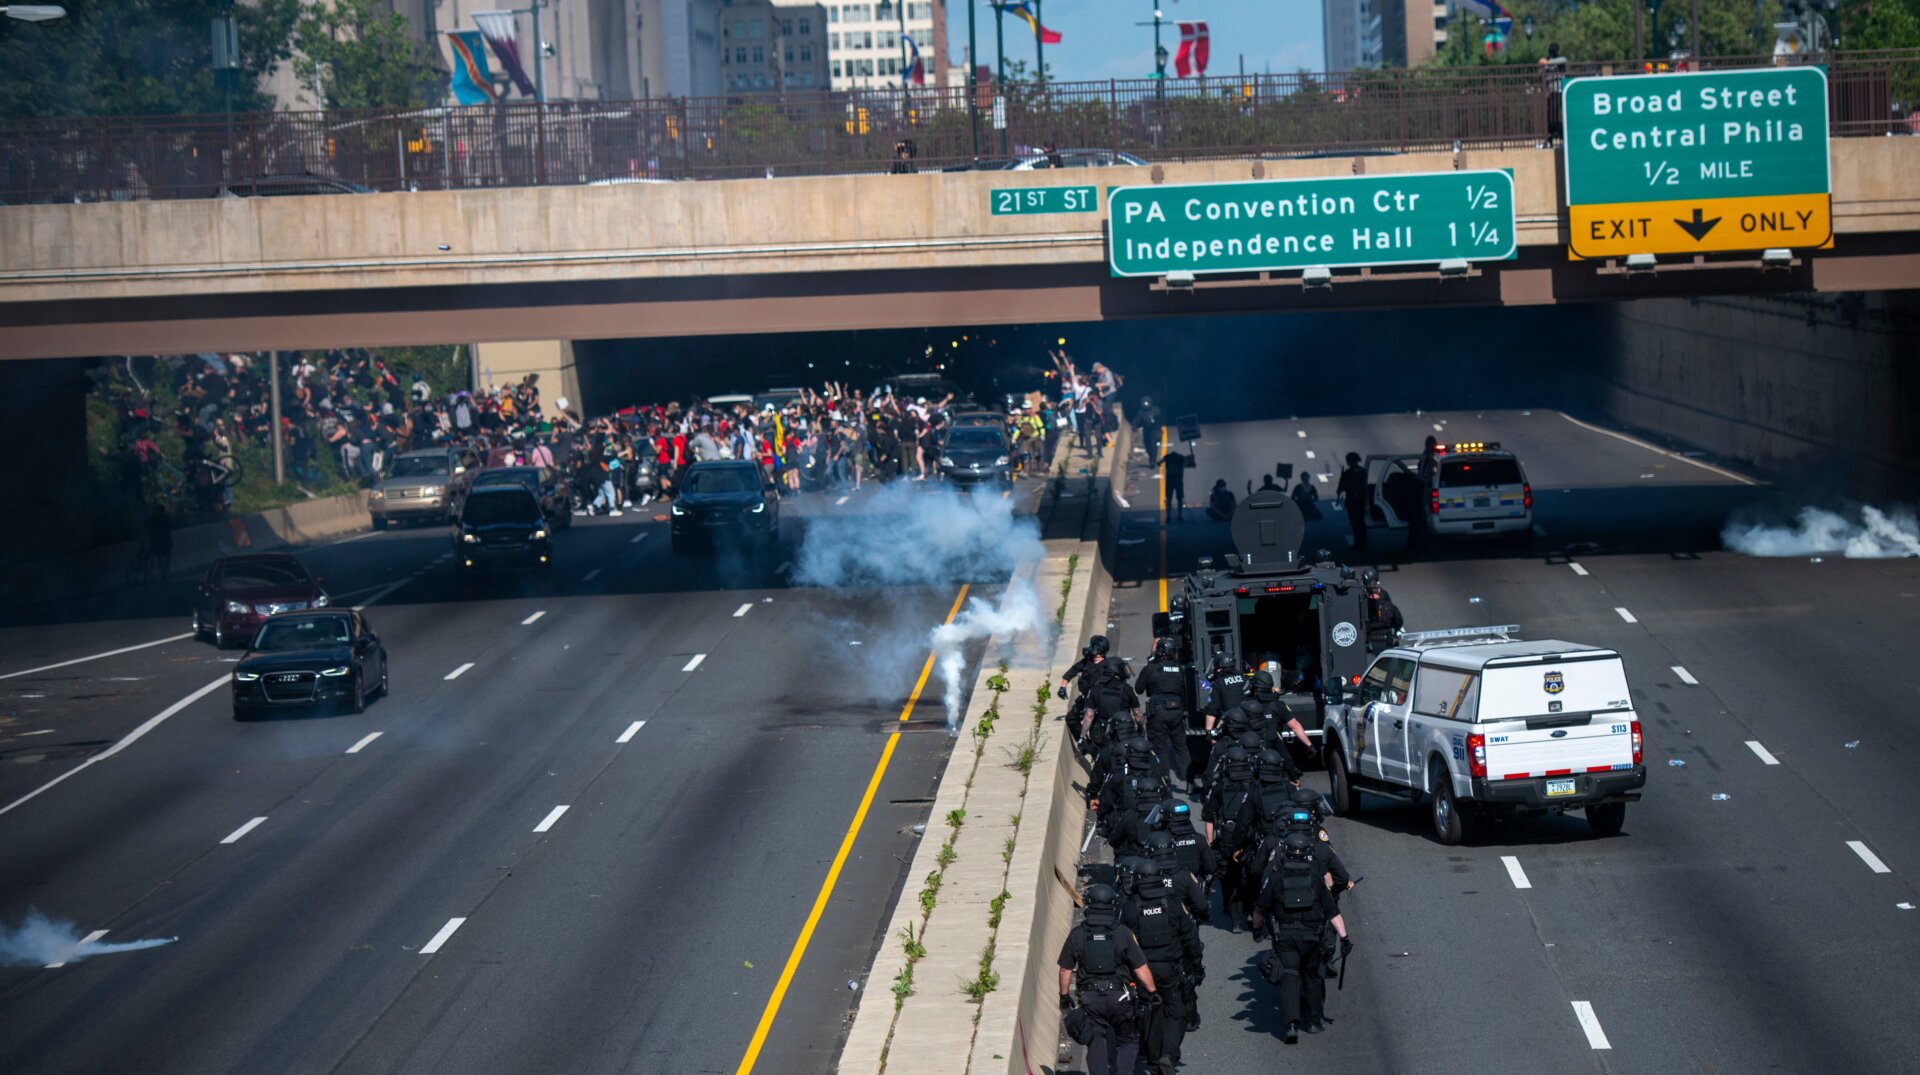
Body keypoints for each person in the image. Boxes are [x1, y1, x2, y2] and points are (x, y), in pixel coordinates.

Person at [1252, 827, 1352, 1043]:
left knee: (1290, 975)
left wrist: (1257, 929)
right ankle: (1314, 1021)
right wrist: (1344, 938)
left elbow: (1260, 909)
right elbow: (1332, 911)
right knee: (1313, 977)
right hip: (1312, 939)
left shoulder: (1277, 878)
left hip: (1286, 939)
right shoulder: (1315, 879)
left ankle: (1291, 1025)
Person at [1059, 883, 1159, 1075]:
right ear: (1113, 905)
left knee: (1096, 1040)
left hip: (1091, 999)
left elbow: (1065, 969)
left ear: (1088, 904)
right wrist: (1152, 992)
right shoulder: (1123, 933)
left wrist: (1064, 996)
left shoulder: (1077, 934)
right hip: (1121, 998)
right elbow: (1141, 968)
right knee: (1127, 1040)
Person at [1124, 854, 1204, 1075]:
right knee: (1176, 1012)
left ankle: (1153, 1059)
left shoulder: (1130, 906)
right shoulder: (1172, 902)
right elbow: (1189, 936)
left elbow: (1123, 941)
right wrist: (1196, 964)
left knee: (1150, 1012)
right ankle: (1168, 1053)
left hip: (1142, 970)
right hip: (1171, 968)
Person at [1135, 638, 1192, 791]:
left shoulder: (1151, 668)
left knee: (1159, 748)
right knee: (1181, 747)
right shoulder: (1179, 669)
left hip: (1158, 712)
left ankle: (1163, 781)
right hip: (1177, 711)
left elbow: (1138, 689)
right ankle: (1190, 781)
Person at [1361, 567, 1403, 652]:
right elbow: (1397, 619)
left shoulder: (1362, 597)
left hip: (1372, 641)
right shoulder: (1384, 595)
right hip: (1385, 640)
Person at [1336, 452, 1369, 551]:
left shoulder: (1348, 472)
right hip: (1361, 500)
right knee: (1361, 522)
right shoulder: (1362, 471)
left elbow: (1342, 486)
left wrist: (1340, 490)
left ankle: (1358, 543)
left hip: (1352, 501)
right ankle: (1363, 542)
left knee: (1355, 523)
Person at [1157, 448, 1187, 523]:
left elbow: (1159, 463)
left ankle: (1168, 516)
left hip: (1170, 480)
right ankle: (1179, 515)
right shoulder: (1181, 458)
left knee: (1169, 499)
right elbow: (1187, 464)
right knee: (1179, 499)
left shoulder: (1167, 457)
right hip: (1178, 480)